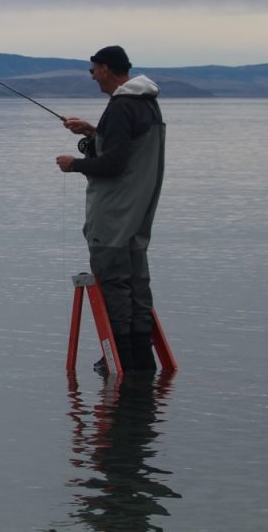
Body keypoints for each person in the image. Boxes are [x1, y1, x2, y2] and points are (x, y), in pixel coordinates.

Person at [56, 45, 165, 374]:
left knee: (114, 286)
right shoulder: (147, 104)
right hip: (138, 214)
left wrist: (73, 164)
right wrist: (93, 131)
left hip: (114, 215)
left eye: (92, 71)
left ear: (104, 68)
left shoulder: (120, 107)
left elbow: (115, 164)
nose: (92, 77)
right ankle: (141, 361)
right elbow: (127, 149)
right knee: (136, 285)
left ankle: (121, 361)